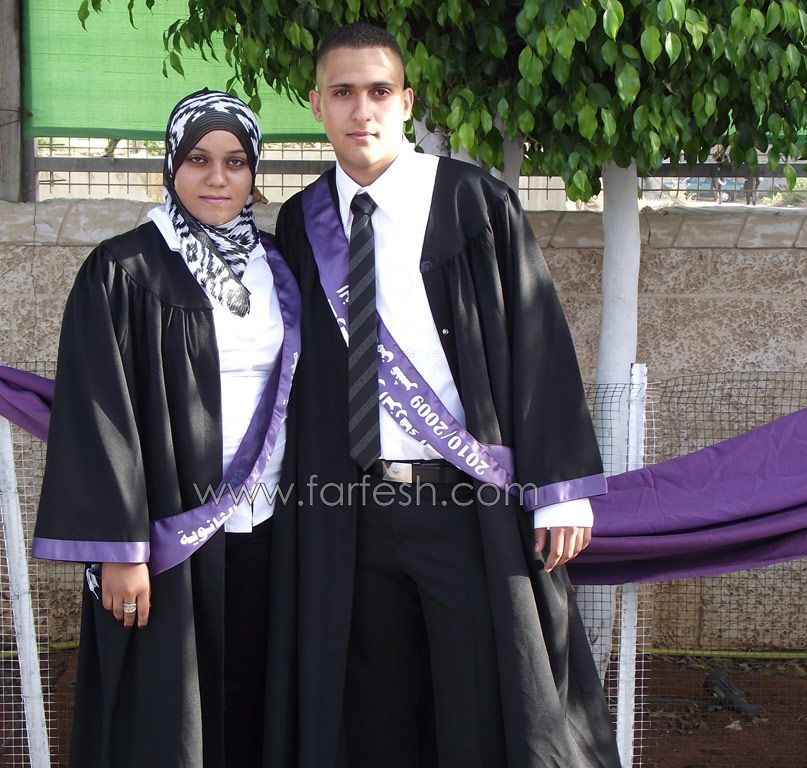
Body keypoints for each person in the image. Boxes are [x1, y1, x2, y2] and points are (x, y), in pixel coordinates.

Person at [275, 23, 622, 768]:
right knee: (370, 707)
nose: (361, 110)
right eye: (342, 92)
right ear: (316, 104)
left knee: (477, 701)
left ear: (406, 102)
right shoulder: (301, 223)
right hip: (349, 514)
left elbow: (537, 340)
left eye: (378, 91)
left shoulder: (473, 204)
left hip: (462, 506)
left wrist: (561, 491)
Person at [32, 90, 299, 768]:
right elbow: (98, 412)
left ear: (254, 170)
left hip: (273, 525)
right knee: (171, 711)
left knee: (256, 699)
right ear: (170, 165)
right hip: (170, 536)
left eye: (236, 162)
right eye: (198, 159)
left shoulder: (280, 268)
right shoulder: (125, 269)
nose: (218, 178)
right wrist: (120, 551)